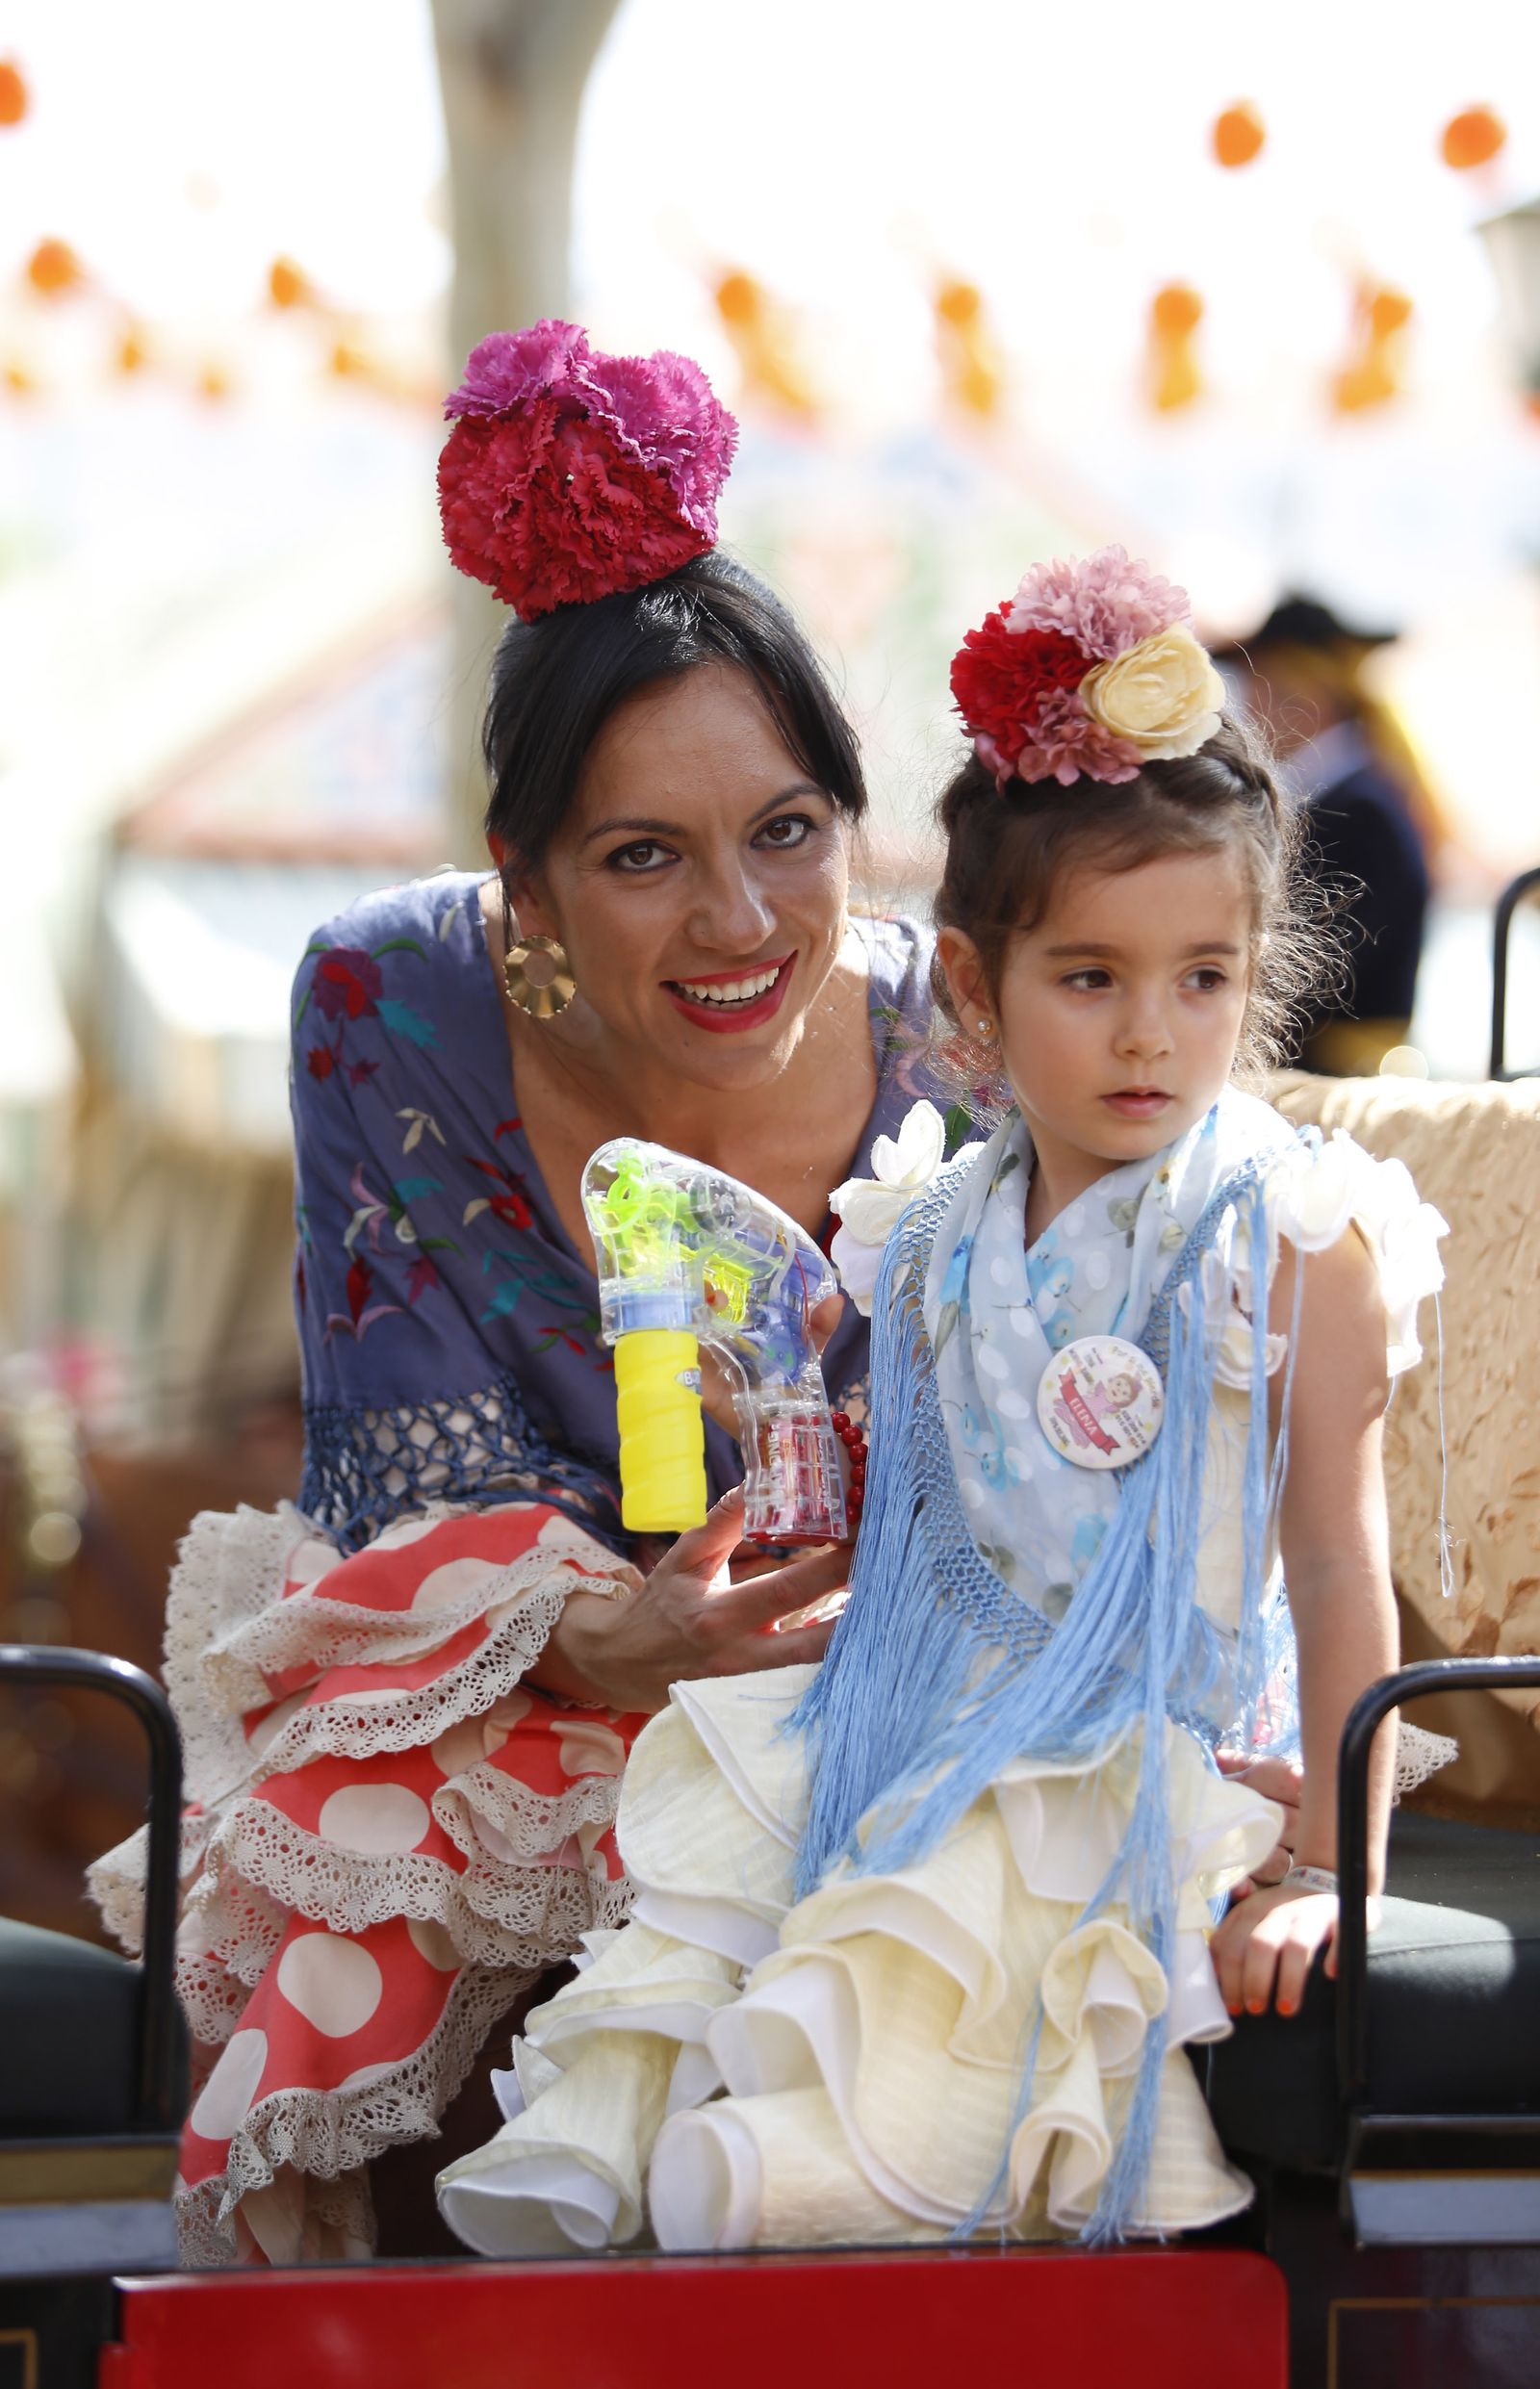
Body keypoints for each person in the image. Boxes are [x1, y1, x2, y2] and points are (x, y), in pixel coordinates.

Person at [436, 547, 1450, 2255]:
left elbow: (1342, 1573)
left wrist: (1325, 1869)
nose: (1153, 1036)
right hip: (950, 1714)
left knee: (926, 1940)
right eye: (1091, 978)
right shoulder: (933, 1226)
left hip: (1164, 1738)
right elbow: (930, 1514)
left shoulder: (1285, 1237)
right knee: (730, 1829)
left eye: (1204, 976)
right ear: (974, 990)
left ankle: (844, 2211)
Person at [88, 321, 954, 2267]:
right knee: (392, 1864)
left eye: (785, 830)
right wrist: (595, 1641)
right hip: (518, 1675)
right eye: (641, 855)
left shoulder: (970, 1042)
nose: (738, 923)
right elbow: (404, 1497)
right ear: (528, 881)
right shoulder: (387, 1007)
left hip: (894, 1684)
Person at [1221, 596, 1433, 1075]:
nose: (1252, 706)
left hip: (1338, 1074)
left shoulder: (1360, 808)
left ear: (1305, 693)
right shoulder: (1344, 796)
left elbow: (1330, 961)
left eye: (1263, 685)